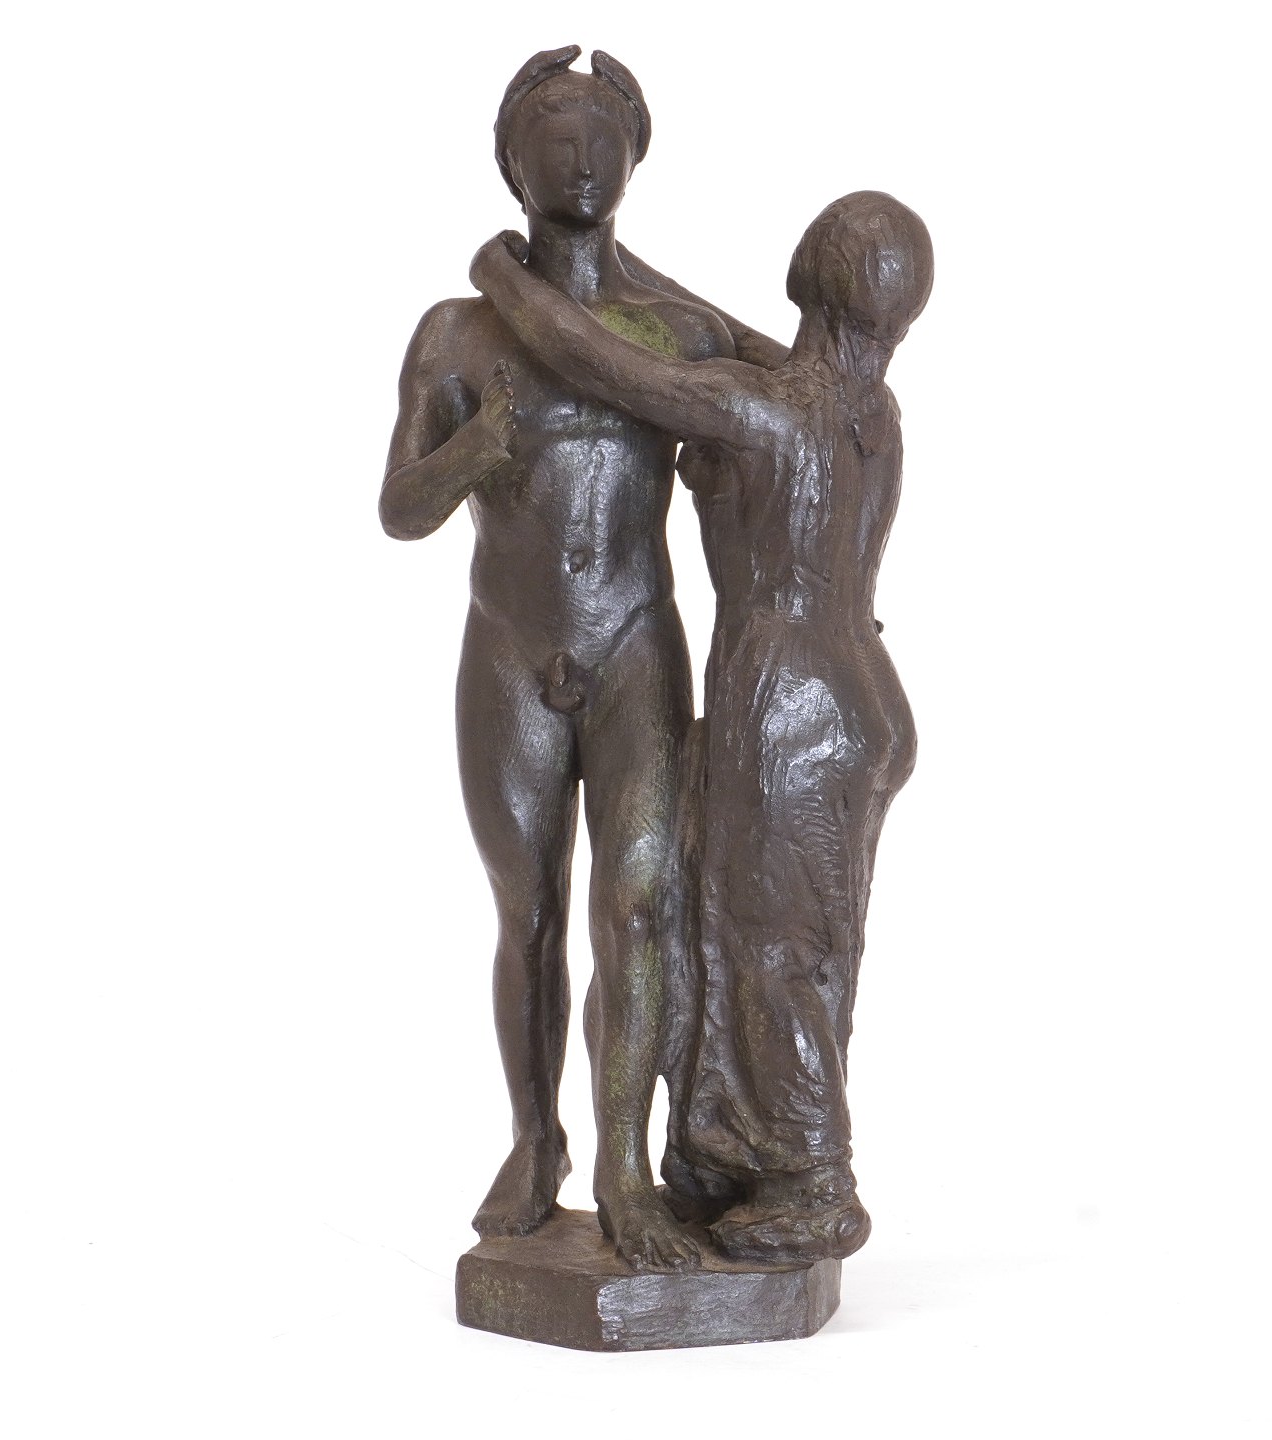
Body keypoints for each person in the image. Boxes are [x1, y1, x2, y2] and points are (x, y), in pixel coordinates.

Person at [470, 190, 934, 1262]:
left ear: (806, 274)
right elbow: (728, 338)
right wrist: (625, 267)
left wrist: (501, 275)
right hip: (862, 696)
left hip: (789, 702)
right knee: (791, 936)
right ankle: (730, 1154)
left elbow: (606, 366)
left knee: (774, 950)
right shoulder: (869, 412)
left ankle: (815, 1182)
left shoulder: (762, 411)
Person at [379, 47, 733, 1270]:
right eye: (554, 136)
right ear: (511, 163)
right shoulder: (458, 332)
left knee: (640, 904)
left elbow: (764, 447)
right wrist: (475, 450)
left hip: (635, 640)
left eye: (601, 137)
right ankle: (538, 1141)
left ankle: (629, 1169)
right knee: (527, 910)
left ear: (635, 159)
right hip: (511, 649)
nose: (580, 157)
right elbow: (399, 508)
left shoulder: (680, 331)